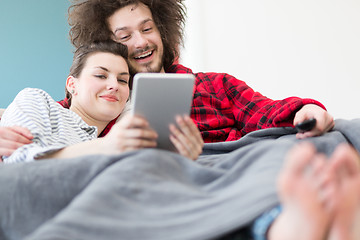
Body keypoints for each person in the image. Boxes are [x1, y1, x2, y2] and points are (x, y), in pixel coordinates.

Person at [0, 0, 334, 159]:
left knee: (340, 135)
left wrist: (305, 111)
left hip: (229, 164)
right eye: (125, 35)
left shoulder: (215, 85)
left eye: (147, 29)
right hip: (152, 187)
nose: (141, 42)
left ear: (163, 31)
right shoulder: (106, 103)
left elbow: (268, 112)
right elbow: (59, 122)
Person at [0, 40, 203, 163]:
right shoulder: (37, 100)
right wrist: (106, 146)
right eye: (100, 75)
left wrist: (181, 161)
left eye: (123, 80)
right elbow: (19, 162)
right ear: (72, 84)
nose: (114, 85)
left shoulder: (118, 140)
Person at [252, 142, 360, 240]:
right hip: (257, 151)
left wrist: (318, 120)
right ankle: (289, 231)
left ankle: (295, 230)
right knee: (261, 187)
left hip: (309, 137)